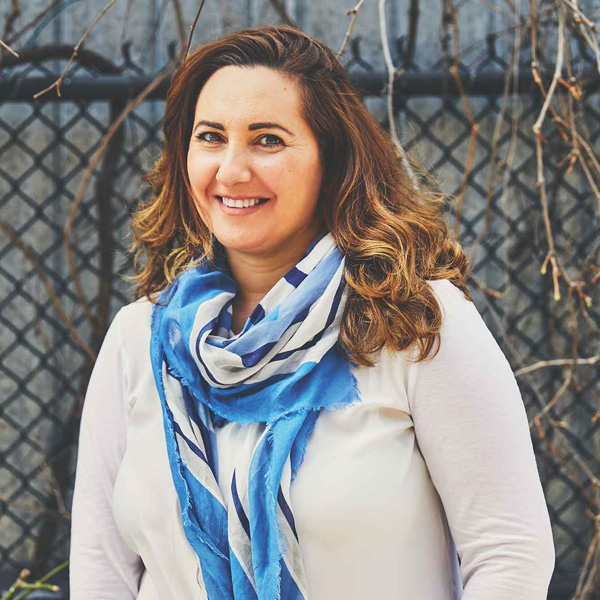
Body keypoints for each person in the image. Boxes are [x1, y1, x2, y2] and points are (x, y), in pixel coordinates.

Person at [69, 25, 555, 600]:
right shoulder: (141, 338)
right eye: (210, 137)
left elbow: (510, 554)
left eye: (267, 140)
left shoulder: (414, 321)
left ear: (332, 157)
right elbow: (101, 571)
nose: (231, 170)